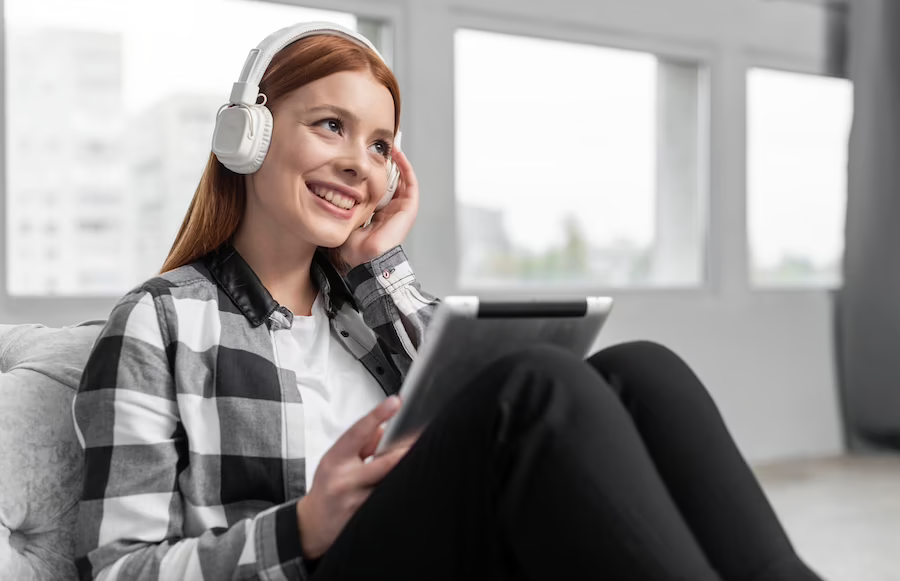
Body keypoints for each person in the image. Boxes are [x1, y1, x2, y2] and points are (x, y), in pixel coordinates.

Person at [73, 22, 825, 581]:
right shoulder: (159, 322)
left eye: (378, 145)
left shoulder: (363, 307)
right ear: (248, 136)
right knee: (538, 386)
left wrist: (377, 263)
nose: (358, 165)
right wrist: (302, 526)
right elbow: (113, 570)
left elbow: (479, 433)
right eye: (331, 125)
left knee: (641, 371)